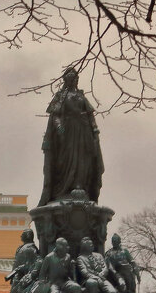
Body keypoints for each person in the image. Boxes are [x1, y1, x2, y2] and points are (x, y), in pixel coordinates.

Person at [38, 67, 105, 206]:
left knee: (83, 160)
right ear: (66, 80)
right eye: (71, 78)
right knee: (64, 160)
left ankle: (80, 186)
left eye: (75, 78)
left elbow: (90, 114)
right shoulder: (61, 96)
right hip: (67, 134)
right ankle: (63, 190)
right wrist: (60, 128)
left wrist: (95, 129)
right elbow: (55, 116)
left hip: (83, 132)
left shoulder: (81, 96)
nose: (74, 80)